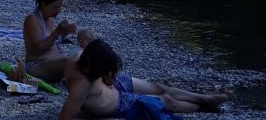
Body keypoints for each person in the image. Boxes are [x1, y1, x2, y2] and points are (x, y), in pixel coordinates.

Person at [59, 39, 232, 119]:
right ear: (95, 69)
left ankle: (206, 98)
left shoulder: (82, 56)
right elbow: (64, 118)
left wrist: (109, 76)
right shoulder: (81, 86)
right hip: (119, 103)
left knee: (159, 87)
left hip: (114, 86)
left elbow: (89, 40)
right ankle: (203, 107)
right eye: (107, 73)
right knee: (166, 101)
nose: (110, 77)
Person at [23, 0, 78, 83]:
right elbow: (37, 50)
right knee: (68, 61)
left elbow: (53, 42)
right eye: (55, 7)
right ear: (43, 4)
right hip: (37, 65)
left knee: (82, 56)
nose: (59, 11)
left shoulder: (48, 19)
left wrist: (65, 32)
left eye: (60, 7)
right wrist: (57, 31)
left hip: (53, 62)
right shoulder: (32, 19)